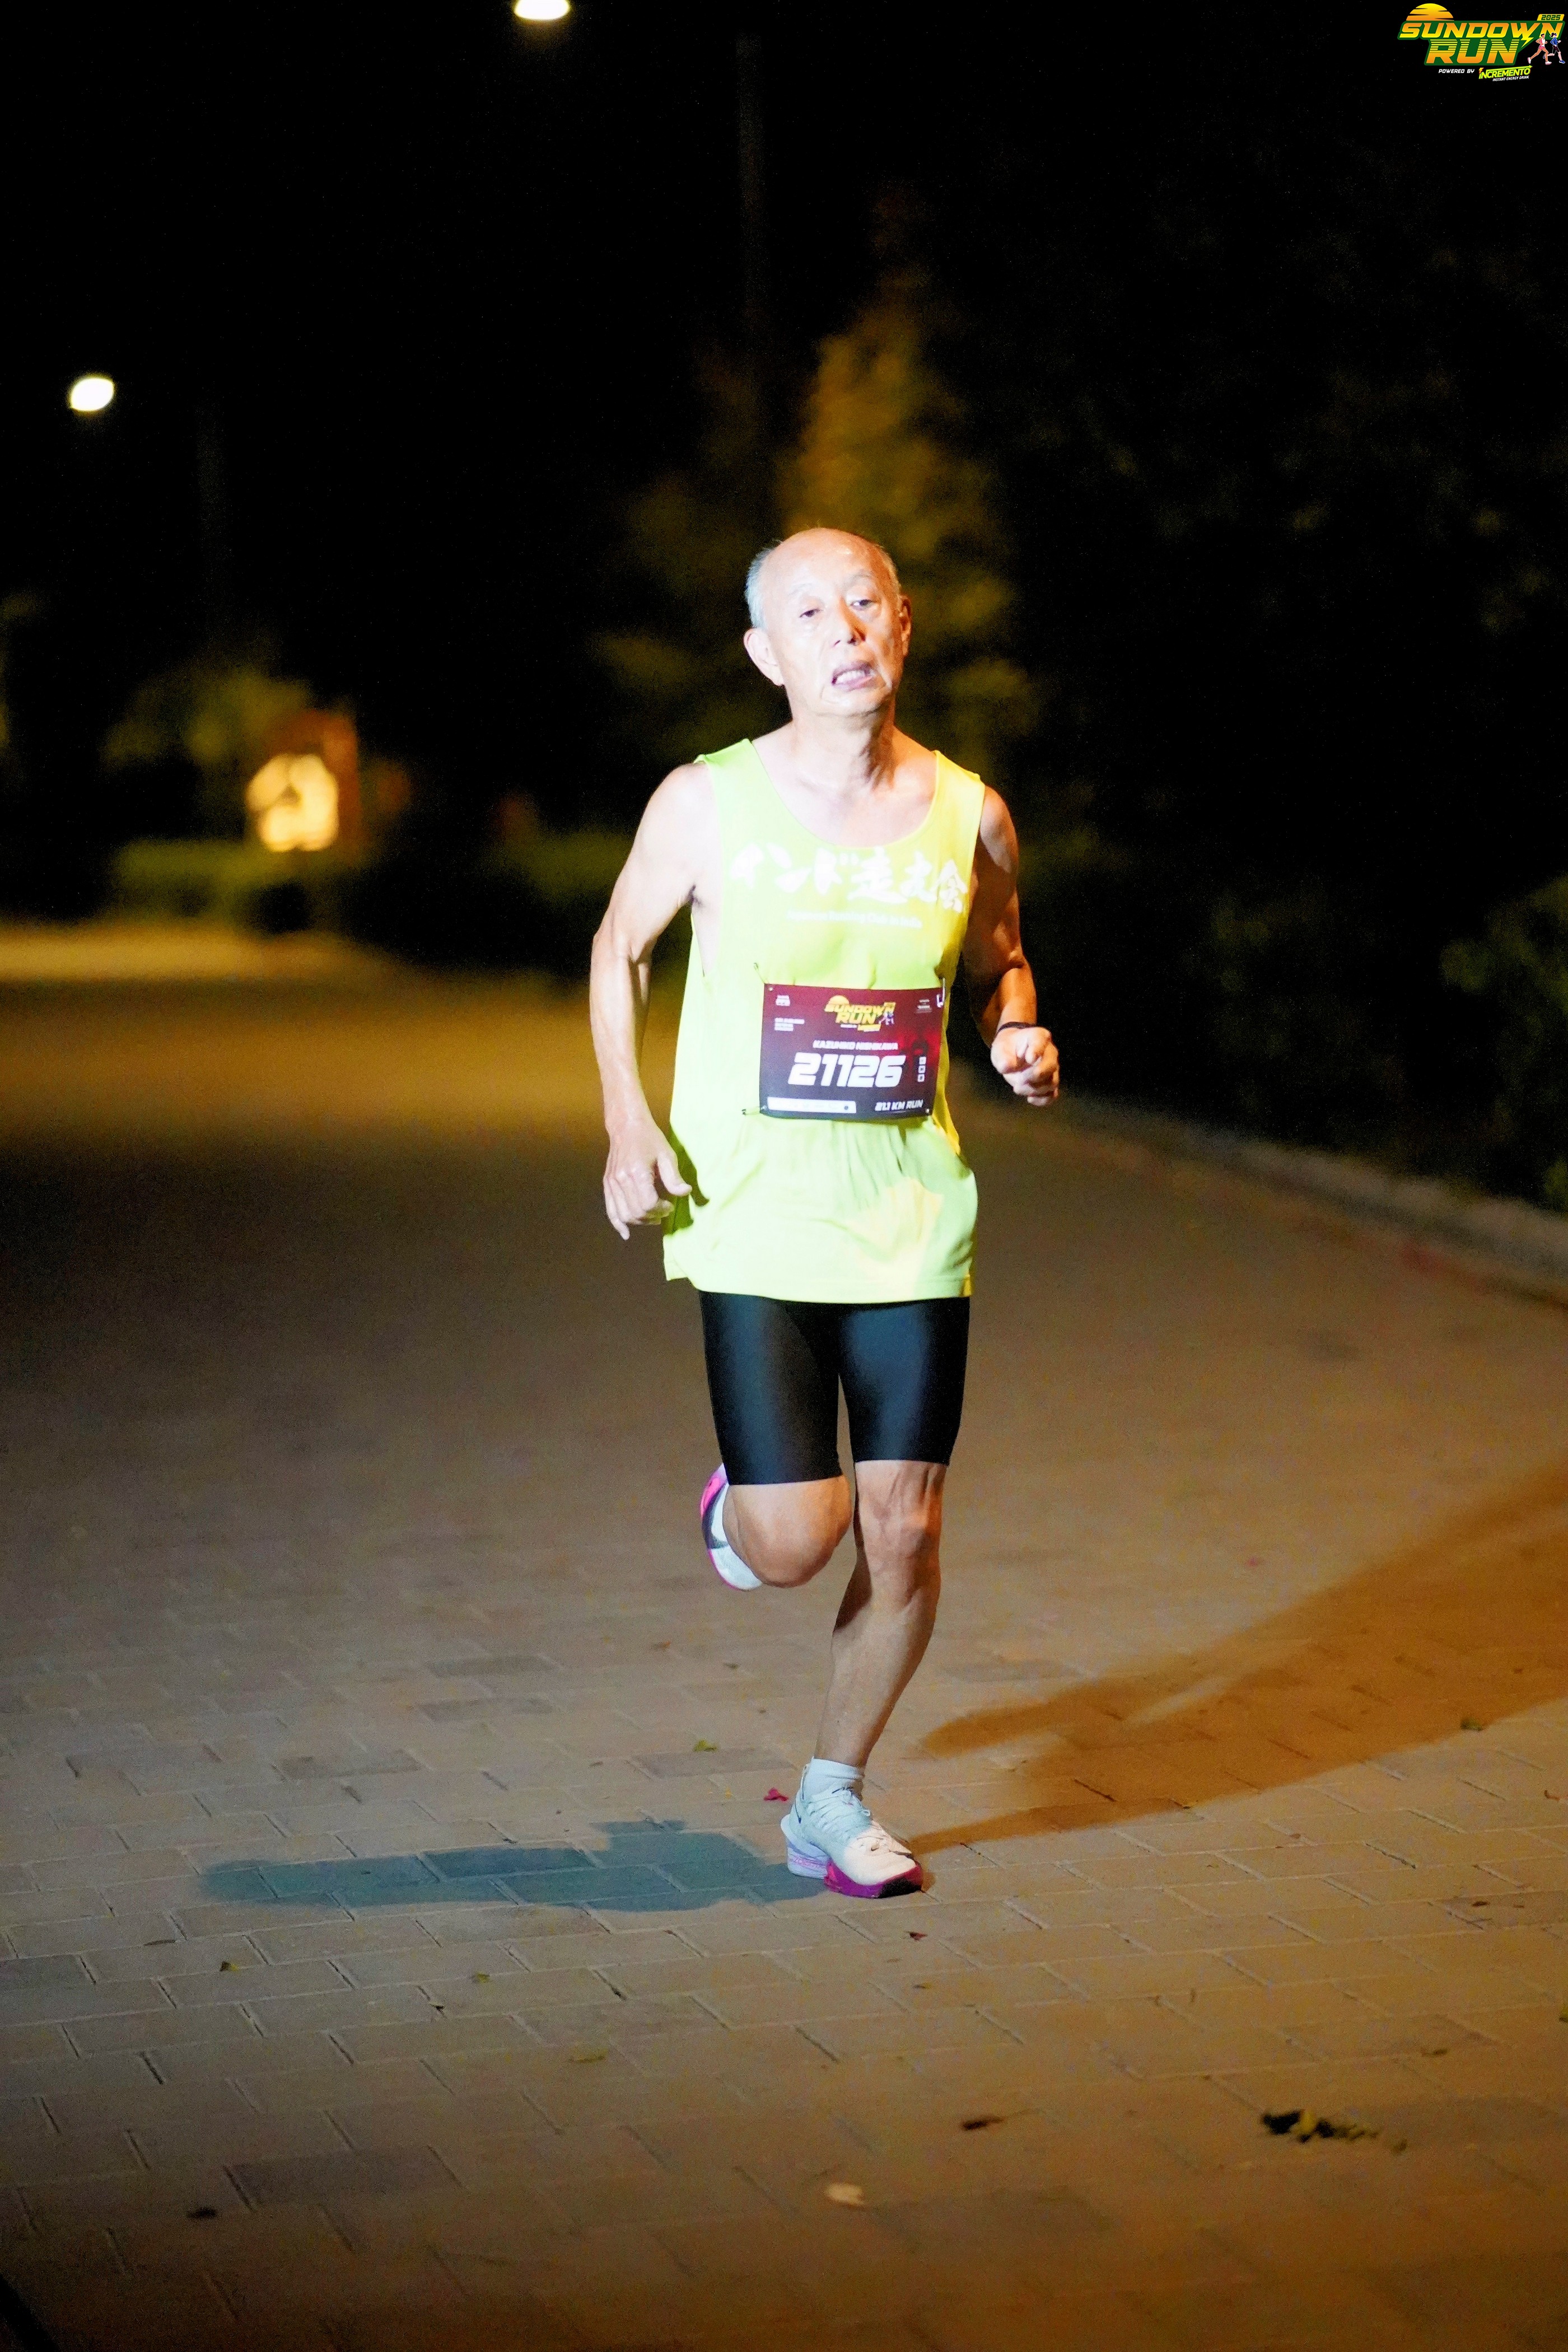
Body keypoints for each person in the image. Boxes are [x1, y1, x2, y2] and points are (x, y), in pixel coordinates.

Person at [590, 528, 1058, 1898]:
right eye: (809, 613)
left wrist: (1015, 1031)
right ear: (764, 654)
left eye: (864, 602)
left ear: (902, 626)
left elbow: (1002, 961)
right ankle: (739, 1517)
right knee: (797, 1541)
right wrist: (626, 1118)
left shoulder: (970, 813)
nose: (843, 629)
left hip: (909, 1213)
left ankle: (830, 1796)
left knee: (902, 1526)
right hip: (751, 1210)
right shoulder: (705, 803)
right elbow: (618, 948)